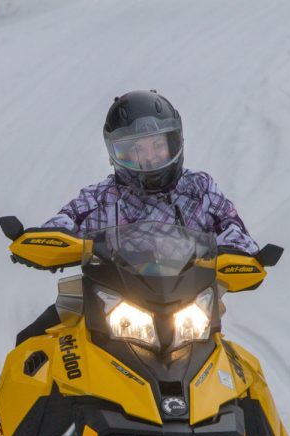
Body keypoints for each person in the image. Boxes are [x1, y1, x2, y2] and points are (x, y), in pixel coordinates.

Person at [17, 90, 259, 344]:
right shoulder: (102, 197)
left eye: (157, 144)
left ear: (174, 142)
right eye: (136, 148)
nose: (150, 156)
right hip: (110, 306)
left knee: (244, 369)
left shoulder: (199, 189)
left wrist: (239, 253)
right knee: (32, 343)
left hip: (190, 311)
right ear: (117, 153)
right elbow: (65, 222)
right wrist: (44, 241)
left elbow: (234, 229)